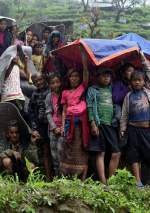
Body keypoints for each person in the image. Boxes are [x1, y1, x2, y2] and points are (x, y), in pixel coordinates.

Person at [120, 52, 150, 188]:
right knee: (133, 156)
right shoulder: (128, 96)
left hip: (146, 129)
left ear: (144, 82)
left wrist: (142, 57)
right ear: (131, 82)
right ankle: (138, 183)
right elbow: (124, 114)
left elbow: (148, 70)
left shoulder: (148, 91)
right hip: (132, 130)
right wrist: (122, 128)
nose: (137, 82)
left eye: (140, 80)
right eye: (134, 80)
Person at [86, 68, 121, 184]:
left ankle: (110, 180)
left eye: (108, 76)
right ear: (97, 77)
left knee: (116, 153)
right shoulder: (92, 89)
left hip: (111, 124)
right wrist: (92, 123)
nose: (106, 78)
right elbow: (90, 107)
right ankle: (103, 182)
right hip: (99, 124)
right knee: (100, 153)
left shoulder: (111, 89)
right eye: (104, 76)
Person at [60, 47, 89, 180]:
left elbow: (86, 75)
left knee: (80, 148)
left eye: (77, 76)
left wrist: (84, 59)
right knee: (68, 148)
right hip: (68, 123)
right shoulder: (65, 92)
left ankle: (82, 179)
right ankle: (67, 177)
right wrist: (62, 126)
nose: (75, 78)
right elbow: (64, 110)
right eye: (72, 76)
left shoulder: (82, 88)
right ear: (69, 78)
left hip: (80, 124)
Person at [28, 73, 51, 179]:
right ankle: (47, 176)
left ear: (44, 79)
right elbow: (31, 112)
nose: (39, 82)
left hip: (52, 124)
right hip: (40, 126)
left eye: (40, 80)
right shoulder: (34, 94)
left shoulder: (51, 90)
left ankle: (57, 174)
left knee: (54, 151)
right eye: (36, 81)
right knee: (45, 151)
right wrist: (34, 129)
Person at [45, 73, 63, 176]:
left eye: (57, 82)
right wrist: (54, 127)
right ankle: (57, 175)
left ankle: (63, 176)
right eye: (52, 83)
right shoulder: (49, 96)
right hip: (53, 129)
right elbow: (48, 113)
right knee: (54, 154)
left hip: (63, 128)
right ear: (49, 85)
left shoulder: (64, 94)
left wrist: (62, 127)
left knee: (61, 152)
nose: (55, 85)